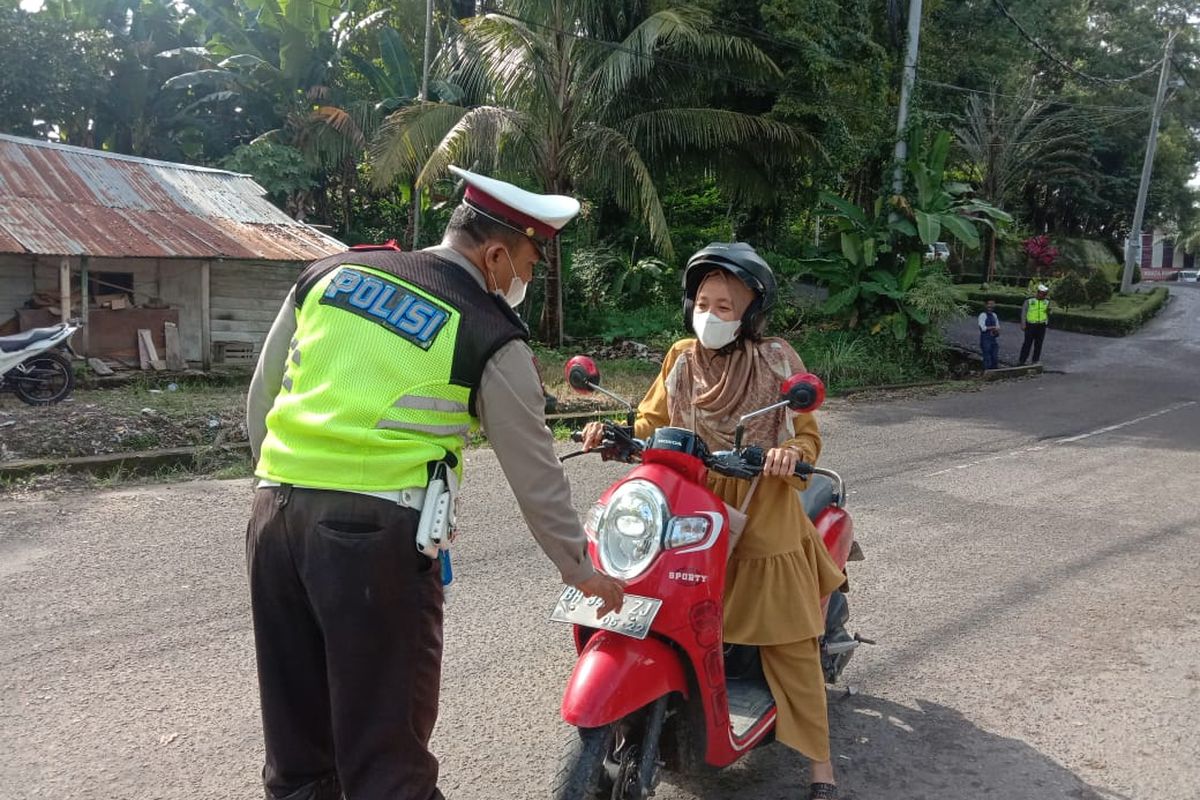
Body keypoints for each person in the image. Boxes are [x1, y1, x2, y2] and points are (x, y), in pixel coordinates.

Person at [244, 165, 625, 800]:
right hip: (371, 544)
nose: (529, 279)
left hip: (273, 518)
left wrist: (282, 483)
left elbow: (262, 398)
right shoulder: (485, 326)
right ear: (497, 253)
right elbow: (534, 468)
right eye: (532, 262)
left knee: (298, 752)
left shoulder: (333, 273)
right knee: (387, 760)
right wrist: (579, 567)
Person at [582, 243, 846, 800]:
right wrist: (611, 432)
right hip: (690, 501)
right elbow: (649, 419)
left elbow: (807, 432)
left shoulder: (776, 359)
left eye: (726, 306)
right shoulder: (681, 357)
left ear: (750, 314)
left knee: (789, 641)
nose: (711, 313)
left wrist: (788, 452)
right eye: (703, 301)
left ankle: (822, 769)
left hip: (761, 500)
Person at [1019, 283, 1051, 365]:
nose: (1043, 296)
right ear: (1038, 292)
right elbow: (1024, 312)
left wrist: (1047, 320)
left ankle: (1035, 360)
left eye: (1045, 294)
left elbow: (1048, 312)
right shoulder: (1029, 301)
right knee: (1027, 343)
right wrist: (1023, 323)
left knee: (1039, 344)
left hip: (1041, 325)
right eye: (1042, 294)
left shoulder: (1047, 302)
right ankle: (1022, 360)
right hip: (1031, 324)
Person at [978, 298, 1001, 370]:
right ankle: (987, 372)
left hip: (993, 339)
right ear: (986, 305)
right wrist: (993, 327)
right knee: (987, 357)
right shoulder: (982, 315)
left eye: (993, 304)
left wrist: (996, 331)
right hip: (985, 339)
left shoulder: (994, 315)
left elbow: (998, 327)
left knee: (995, 357)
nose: (991, 306)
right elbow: (982, 328)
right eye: (989, 304)